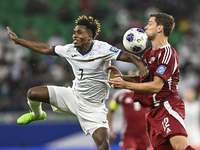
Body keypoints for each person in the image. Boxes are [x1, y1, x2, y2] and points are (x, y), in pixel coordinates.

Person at [7, 15, 149, 150]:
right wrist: (19, 41)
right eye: (74, 32)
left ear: (89, 36)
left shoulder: (102, 48)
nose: (74, 35)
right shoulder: (70, 49)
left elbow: (130, 57)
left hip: (94, 108)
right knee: (32, 93)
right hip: (73, 97)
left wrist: (142, 68)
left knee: (103, 144)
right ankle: (37, 114)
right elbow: (46, 48)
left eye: (79, 32)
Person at [107, 12, 196, 150]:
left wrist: (126, 85)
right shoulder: (148, 54)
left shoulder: (167, 52)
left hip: (167, 106)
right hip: (153, 112)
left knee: (180, 146)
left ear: (160, 28)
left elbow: (156, 86)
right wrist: (122, 78)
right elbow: (144, 80)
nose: (145, 27)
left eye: (149, 24)